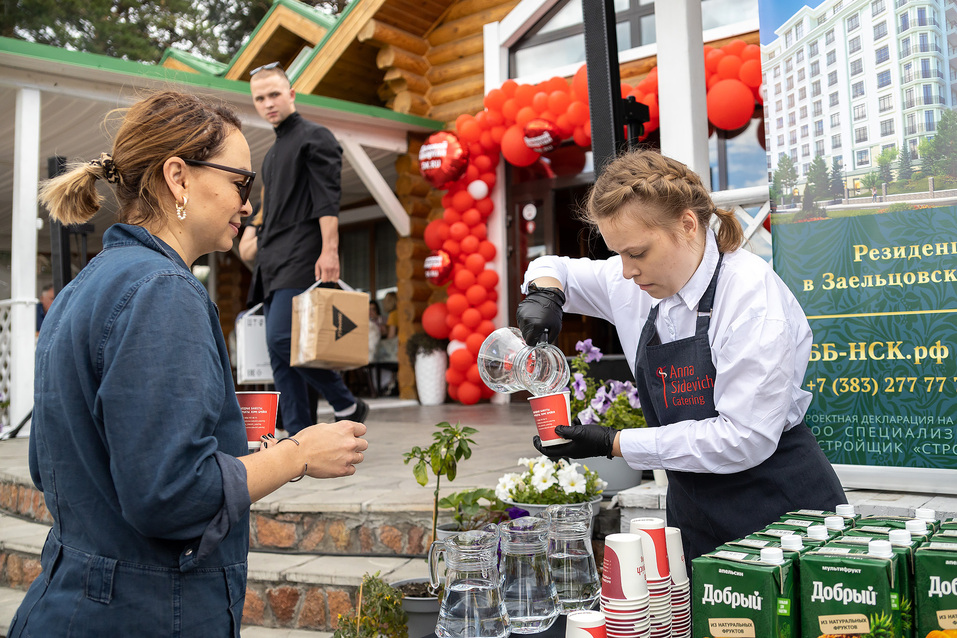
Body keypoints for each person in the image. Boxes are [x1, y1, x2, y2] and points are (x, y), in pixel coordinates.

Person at [9, 91, 369, 637]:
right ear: (178, 176)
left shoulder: (89, 284)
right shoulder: (162, 290)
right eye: (240, 183)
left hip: (75, 602)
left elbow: (59, 462)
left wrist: (233, 458)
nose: (248, 204)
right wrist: (299, 453)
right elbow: (171, 493)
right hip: (141, 613)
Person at [518, 150, 845, 561]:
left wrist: (614, 442)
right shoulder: (633, 285)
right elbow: (551, 265)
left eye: (636, 253)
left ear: (687, 225)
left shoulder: (749, 296)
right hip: (694, 511)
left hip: (780, 509)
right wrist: (546, 292)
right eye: (617, 253)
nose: (625, 271)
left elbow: (743, 439)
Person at [249, 63, 368, 434]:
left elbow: (327, 199)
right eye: (260, 98)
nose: (268, 103)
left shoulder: (316, 137)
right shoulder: (271, 154)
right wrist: (252, 232)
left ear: (291, 94)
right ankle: (299, 437)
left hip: (303, 253)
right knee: (280, 357)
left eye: (274, 94)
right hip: (271, 259)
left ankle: (346, 401)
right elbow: (270, 205)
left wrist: (329, 251)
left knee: (285, 339)